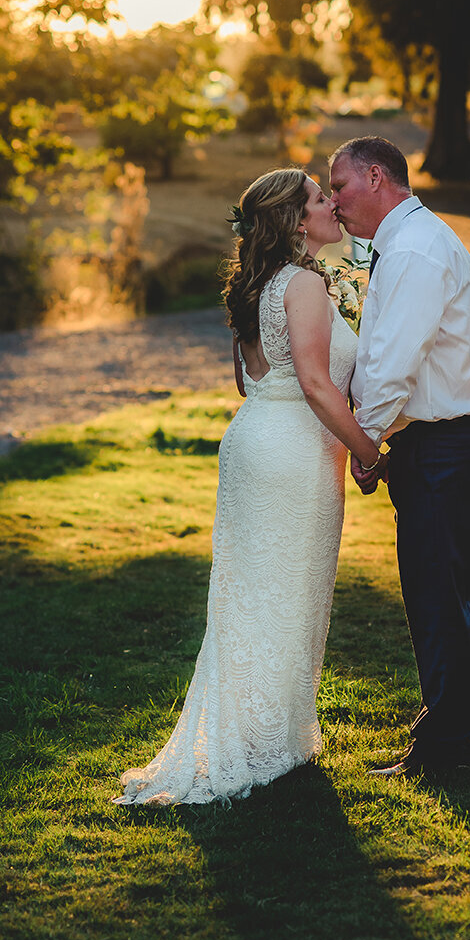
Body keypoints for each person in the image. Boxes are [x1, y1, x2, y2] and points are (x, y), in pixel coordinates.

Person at [114, 168, 384, 806]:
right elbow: (318, 386)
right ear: (295, 222)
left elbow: (248, 381)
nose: (332, 206)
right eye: (321, 200)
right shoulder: (306, 285)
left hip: (252, 437)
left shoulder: (255, 286)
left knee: (252, 594)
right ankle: (265, 744)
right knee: (286, 592)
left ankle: (265, 736)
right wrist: (371, 451)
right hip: (293, 451)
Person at [328, 137, 470, 777]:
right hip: (439, 444)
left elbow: (390, 363)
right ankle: (445, 736)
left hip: (444, 446)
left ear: (376, 177)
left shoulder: (413, 249)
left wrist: (365, 441)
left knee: (439, 594)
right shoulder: (415, 240)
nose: (333, 201)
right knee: (440, 592)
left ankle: (446, 748)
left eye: (340, 186)